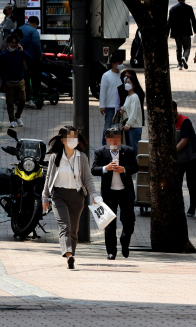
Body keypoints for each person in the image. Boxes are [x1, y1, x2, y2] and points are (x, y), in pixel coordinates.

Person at [42, 126, 98, 270]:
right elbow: (48, 178)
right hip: (58, 196)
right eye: (70, 138)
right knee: (64, 226)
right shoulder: (55, 157)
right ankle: (68, 255)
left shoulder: (82, 157)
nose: (73, 140)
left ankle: (71, 253)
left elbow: (88, 179)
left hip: (77, 196)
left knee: (73, 229)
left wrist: (94, 195)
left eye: (75, 137)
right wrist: (45, 197)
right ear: (63, 140)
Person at [92, 126, 139, 260]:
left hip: (125, 192)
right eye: (111, 139)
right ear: (106, 139)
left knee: (129, 222)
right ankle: (111, 251)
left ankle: (125, 241)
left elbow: (135, 167)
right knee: (109, 223)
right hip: (109, 193)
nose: (114, 142)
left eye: (117, 139)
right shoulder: (100, 152)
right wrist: (105, 168)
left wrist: (124, 169)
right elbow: (94, 169)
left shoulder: (128, 151)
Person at [0, 34, 26, 128]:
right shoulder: (4, 55)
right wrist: (5, 80)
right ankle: (12, 120)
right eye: (11, 43)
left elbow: (29, 58)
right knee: (10, 102)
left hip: (20, 81)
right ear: (8, 43)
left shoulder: (19, 53)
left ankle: (18, 116)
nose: (13, 45)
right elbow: (1, 69)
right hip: (9, 82)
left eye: (15, 43)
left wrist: (22, 51)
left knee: (22, 100)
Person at [173, 101, 196, 216]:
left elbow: (184, 140)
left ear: (175, 110)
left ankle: (192, 207)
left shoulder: (184, 121)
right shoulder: (167, 122)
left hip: (190, 159)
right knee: (177, 184)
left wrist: (172, 153)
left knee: (192, 184)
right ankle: (178, 207)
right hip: (178, 160)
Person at [167, 0, 196, 70]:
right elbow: (193, 20)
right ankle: (185, 58)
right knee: (187, 47)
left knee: (178, 49)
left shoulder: (173, 9)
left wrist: (166, 34)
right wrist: (195, 30)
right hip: (186, 32)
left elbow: (169, 22)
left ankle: (180, 64)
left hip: (176, 32)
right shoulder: (189, 8)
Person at [99, 55, 124, 146]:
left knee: (118, 127)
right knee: (108, 127)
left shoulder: (122, 75)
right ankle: (104, 144)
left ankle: (115, 145)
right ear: (113, 64)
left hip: (120, 106)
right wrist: (102, 105)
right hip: (110, 106)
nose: (121, 65)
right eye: (119, 63)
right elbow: (103, 91)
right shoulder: (106, 76)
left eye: (121, 63)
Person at [19, 16, 43, 107]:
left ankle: (26, 98)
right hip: (32, 59)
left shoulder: (20, 29)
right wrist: (39, 56)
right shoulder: (34, 31)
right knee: (35, 79)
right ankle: (36, 97)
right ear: (35, 24)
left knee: (24, 79)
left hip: (21, 59)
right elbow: (36, 44)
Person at [119, 76, 143, 155]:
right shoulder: (128, 97)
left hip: (134, 127)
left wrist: (128, 125)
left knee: (134, 150)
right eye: (126, 82)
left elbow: (133, 113)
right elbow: (128, 111)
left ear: (134, 85)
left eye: (129, 82)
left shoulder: (134, 97)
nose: (127, 84)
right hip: (129, 127)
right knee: (130, 150)